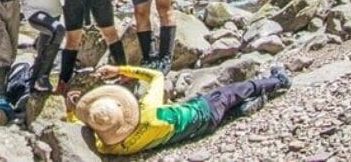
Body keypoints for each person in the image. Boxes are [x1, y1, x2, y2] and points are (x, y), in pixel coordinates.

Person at [71, 64, 292, 155]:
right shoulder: (147, 110)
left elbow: (88, 129)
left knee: (226, 107)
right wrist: (120, 69)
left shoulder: (113, 147)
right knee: (234, 90)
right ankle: (278, 81)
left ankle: (242, 110)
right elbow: (155, 76)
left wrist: (72, 112)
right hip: (202, 112)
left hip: (196, 130)